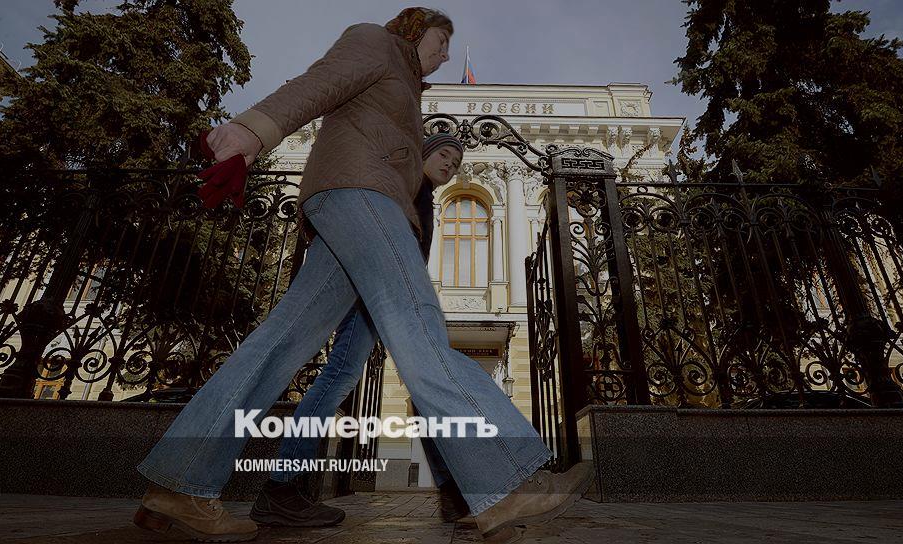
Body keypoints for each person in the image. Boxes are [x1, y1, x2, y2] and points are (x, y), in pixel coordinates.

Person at [132, 8, 592, 543]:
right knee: (420, 329)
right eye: (441, 40)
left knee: (276, 346)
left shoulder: (404, 82)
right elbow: (318, 84)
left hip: (350, 205)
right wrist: (250, 131)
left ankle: (179, 483)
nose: (446, 55)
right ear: (414, 29)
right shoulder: (376, 42)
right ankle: (508, 478)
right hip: (361, 198)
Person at [249, 133, 469, 528]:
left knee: (356, 379)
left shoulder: (422, 196)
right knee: (398, 382)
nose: (449, 165)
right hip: (378, 293)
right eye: (444, 154)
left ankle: (282, 485)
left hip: (383, 295)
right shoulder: (405, 187)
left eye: (455, 163)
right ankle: (282, 485)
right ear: (423, 153)